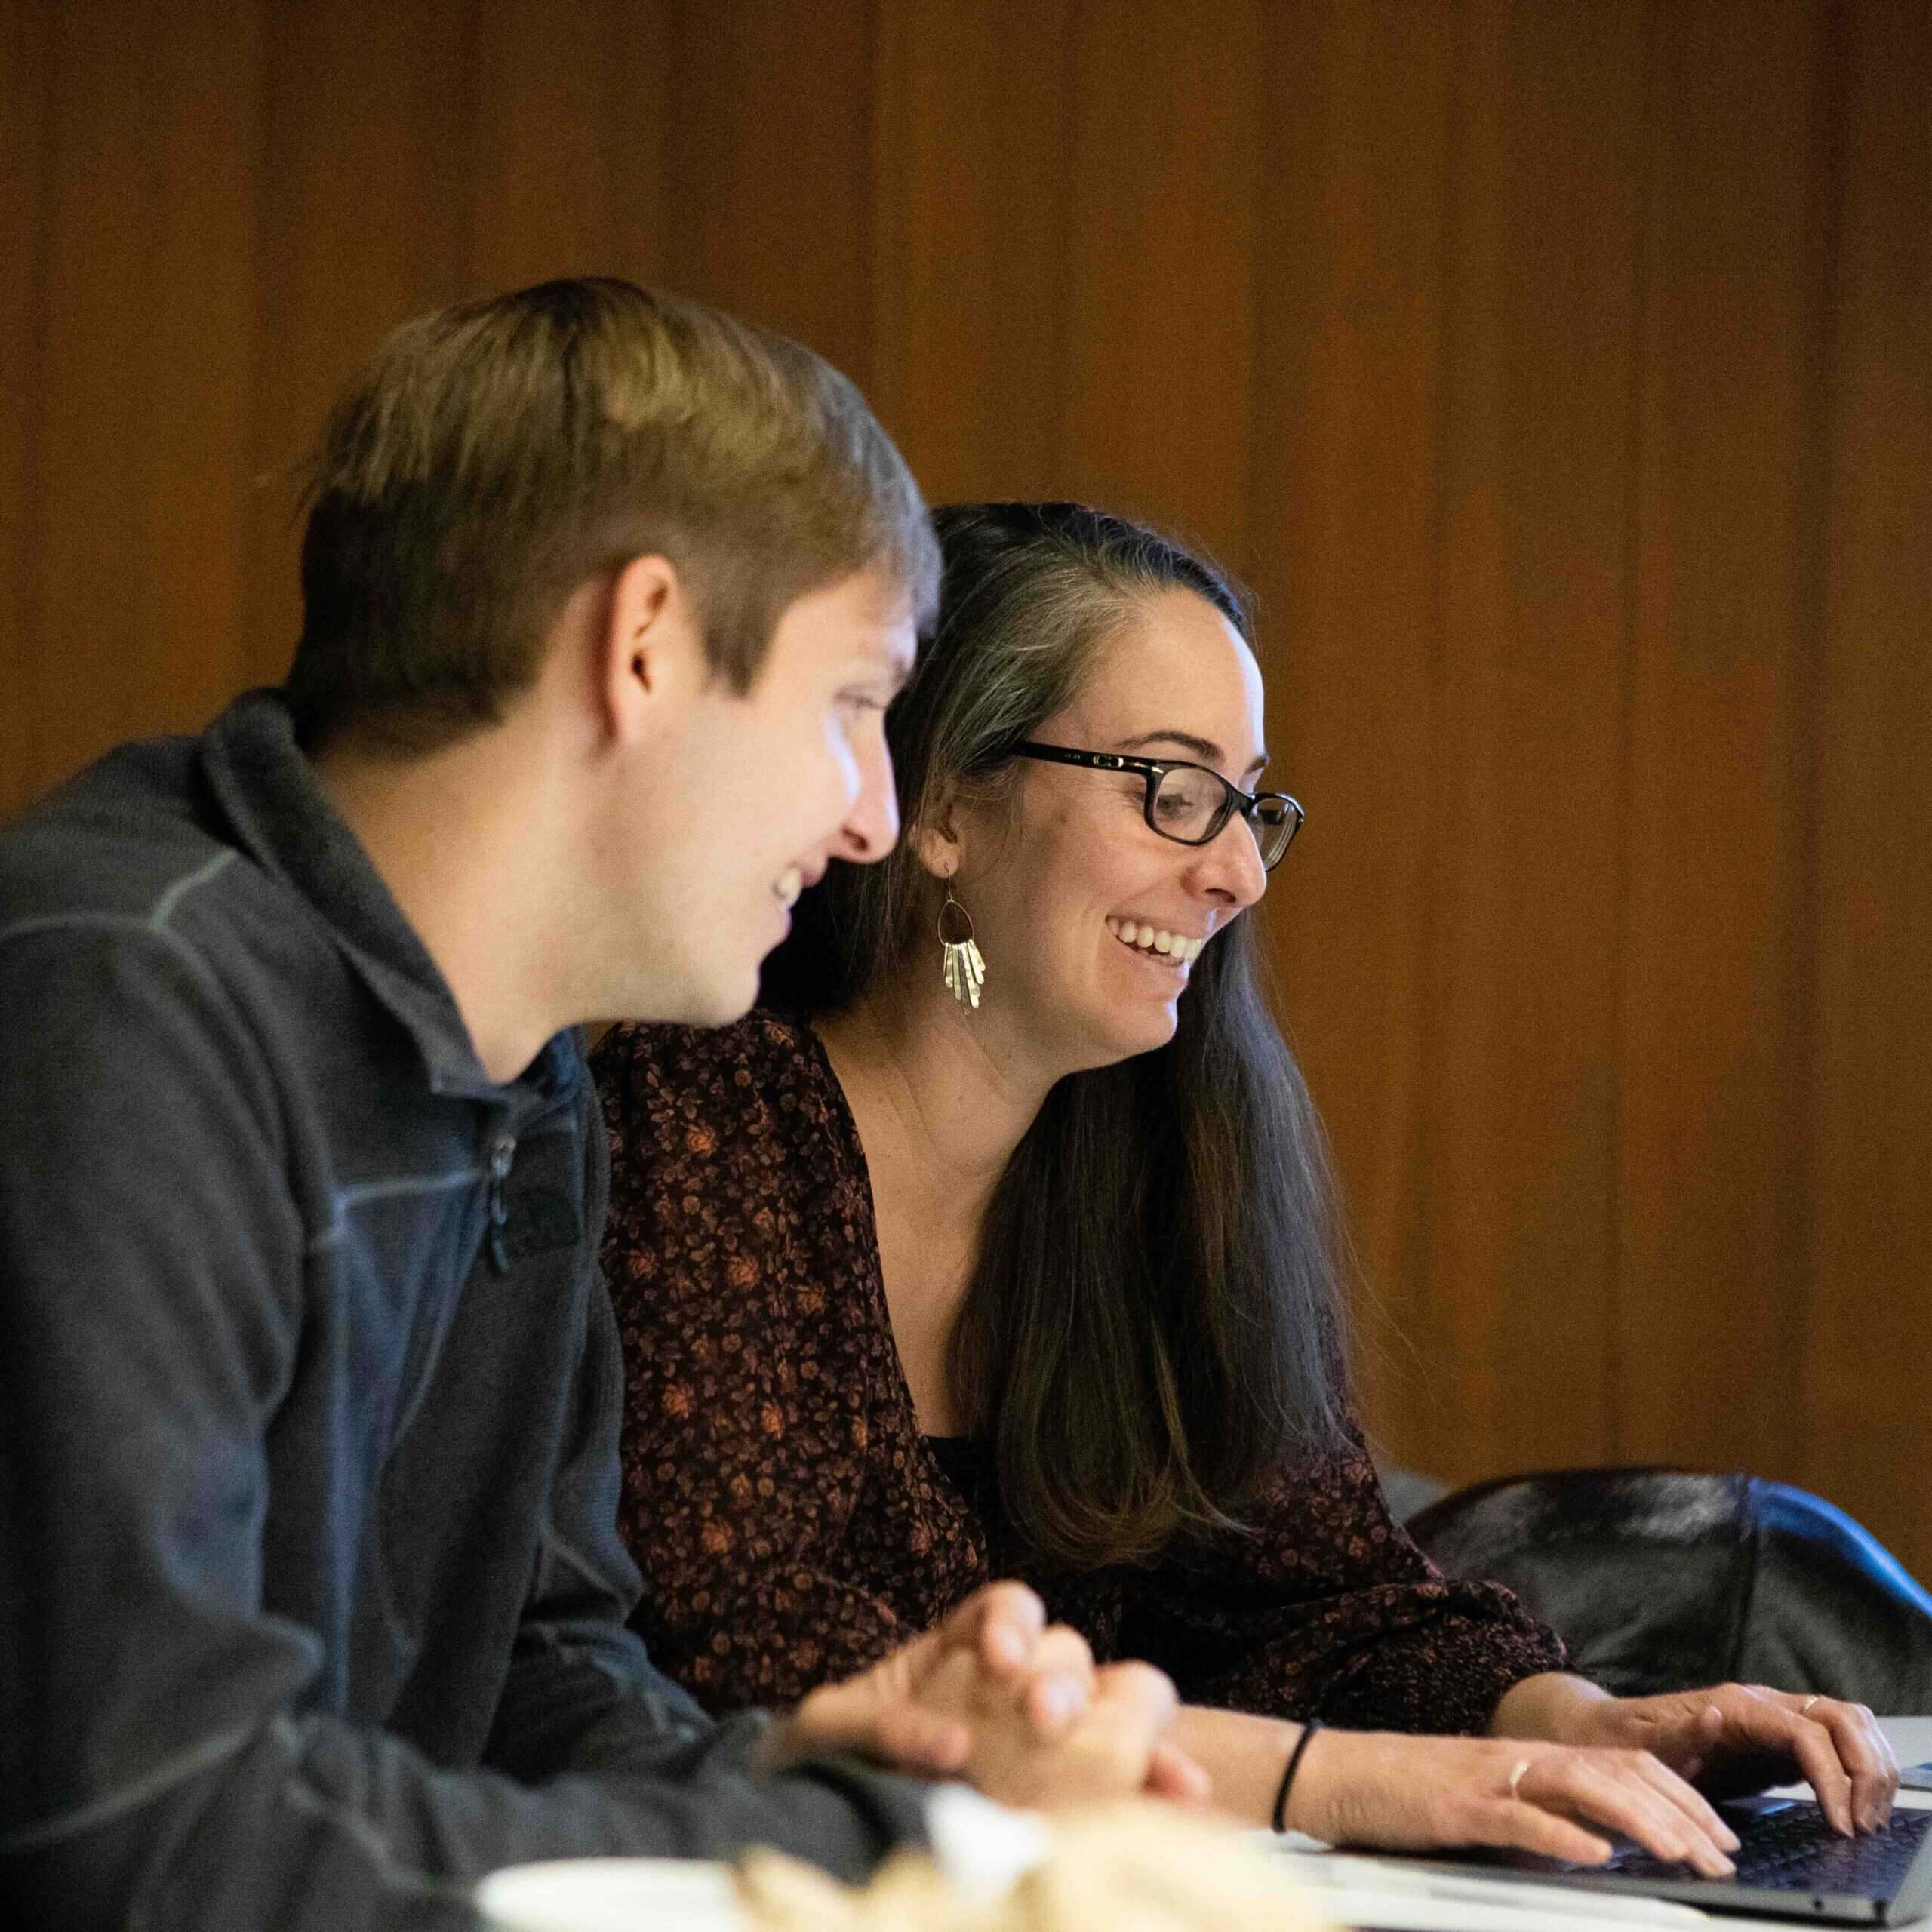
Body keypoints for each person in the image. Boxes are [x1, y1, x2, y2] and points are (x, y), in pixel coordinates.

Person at [0, 294, 1196, 1932]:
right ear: (640, 641)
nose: (870, 817)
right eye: (852, 706)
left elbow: (531, 1675)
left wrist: (803, 1782)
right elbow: (144, 1826)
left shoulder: (532, 1068)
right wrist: (866, 1846)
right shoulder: (122, 1006)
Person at [594, 500, 1899, 1869]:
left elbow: (1324, 1598)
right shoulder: (708, 1114)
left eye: (1245, 803)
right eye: (1168, 788)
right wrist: (1366, 1783)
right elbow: (751, 1652)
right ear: (946, 808)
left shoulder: (1158, 1154)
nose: (1230, 873)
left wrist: (1586, 1725)